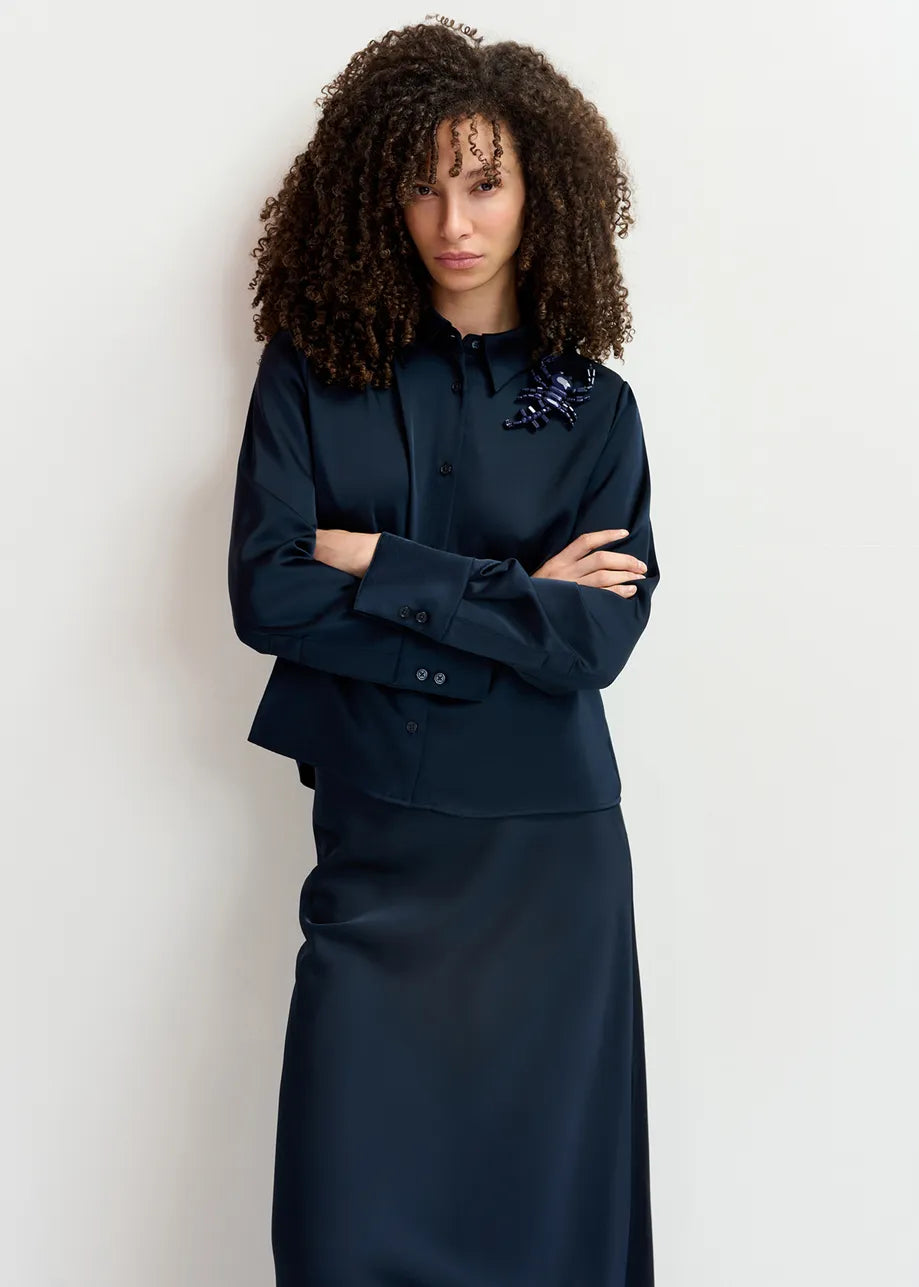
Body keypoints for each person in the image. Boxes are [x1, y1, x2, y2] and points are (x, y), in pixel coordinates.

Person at [227, 15, 660, 1285]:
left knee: (546, 1227)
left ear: (541, 193)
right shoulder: (316, 372)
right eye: (420, 185)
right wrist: (506, 601)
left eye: (483, 183)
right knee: (342, 1224)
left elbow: (594, 635)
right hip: (377, 853)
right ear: (377, 195)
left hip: (548, 863)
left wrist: (379, 564)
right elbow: (266, 593)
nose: (451, 221)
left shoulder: (590, 402)